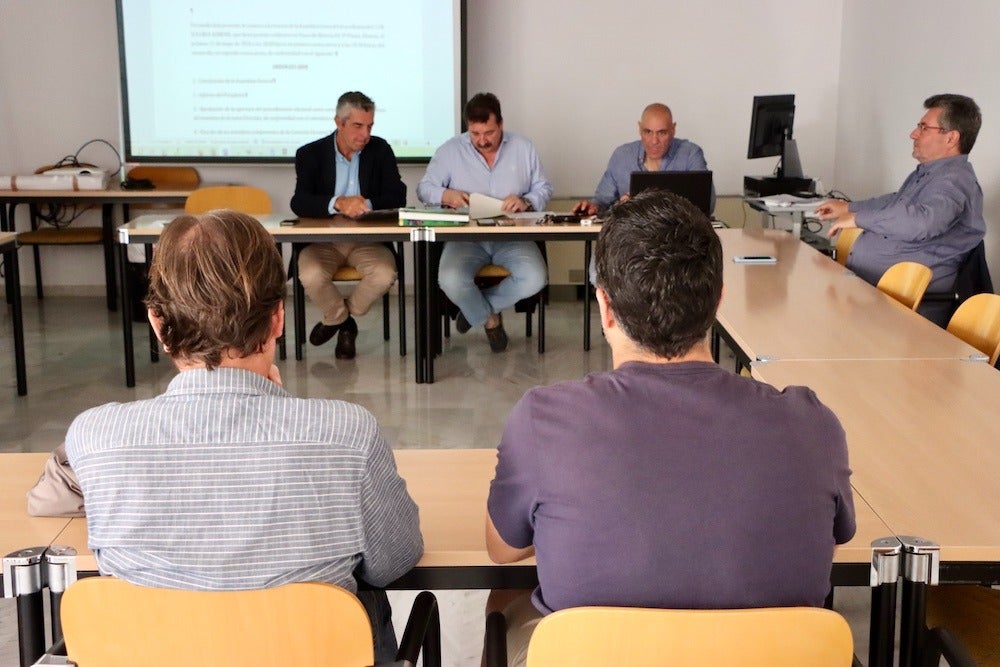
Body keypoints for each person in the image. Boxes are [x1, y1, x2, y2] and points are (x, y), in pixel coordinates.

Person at [486, 191, 856, 665]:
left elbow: (502, 549)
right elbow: (839, 534)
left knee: (501, 601)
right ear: (719, 300)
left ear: (605, 307)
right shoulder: (813, 426)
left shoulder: (543, 420)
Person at [65, 210, 422, 662]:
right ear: (278, 320)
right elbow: (395, 560)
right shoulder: (346, 433)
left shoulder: (95, 438)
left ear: (157, 324)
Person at [817, 94, 985, 326]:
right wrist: (848, 207)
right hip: (875, 295)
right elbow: (897, 203)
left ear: (951, 138)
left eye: (924, 128)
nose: (913, 134)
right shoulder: (930, 173)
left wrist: (859, 218)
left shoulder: (953, 181)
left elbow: (922, 222)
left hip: (907, 311)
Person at [417, 92, 553, 352]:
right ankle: (489, 319)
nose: (482, 141)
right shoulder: (451, 150)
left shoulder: (523, 148)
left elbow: (544, 188)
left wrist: (526, 200)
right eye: (475, 134)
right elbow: (424, 188)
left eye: (489, 133)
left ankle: (473, 312)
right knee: (449, 279)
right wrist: (445, 194)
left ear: (500, 123)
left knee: (535, 277)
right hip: (466, 237)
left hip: (512, 234)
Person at [291, 91, 407, 359]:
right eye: (358, 126)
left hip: (368, 240)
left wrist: (367, 202)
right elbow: (300, 201)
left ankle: (338, 318)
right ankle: (344, 323)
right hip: (324, 241)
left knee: (384, 274)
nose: (365, 134)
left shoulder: (380, 150)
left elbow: (398, 195)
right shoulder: (310, 154)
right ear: (339, 123)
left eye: (370, 126)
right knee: (310, 274)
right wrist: (339, 202)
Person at [572, 103, 715, 215]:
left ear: (673, 129)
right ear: (640, 129)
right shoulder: (622, 156)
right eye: (648, 132)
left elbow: (707, 204)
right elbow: (601, 202)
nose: (654, 141)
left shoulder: (690, 154)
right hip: (630, 238)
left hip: (676, 238)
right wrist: (594, 207)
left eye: (662, 133)